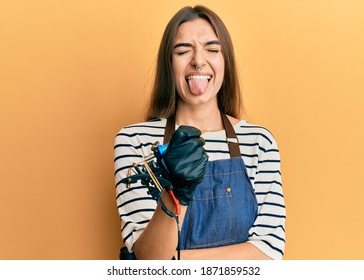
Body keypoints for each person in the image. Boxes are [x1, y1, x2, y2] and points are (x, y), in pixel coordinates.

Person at [114, 5, 285, 260]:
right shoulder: (134, 141)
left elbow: (269, 252)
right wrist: (175, 194)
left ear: (225, 61)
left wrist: (177, 262)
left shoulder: (259, 142)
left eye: (213, 49)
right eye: (183, 50)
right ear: (168, 65)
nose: (198, 60)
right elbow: (148, 260)